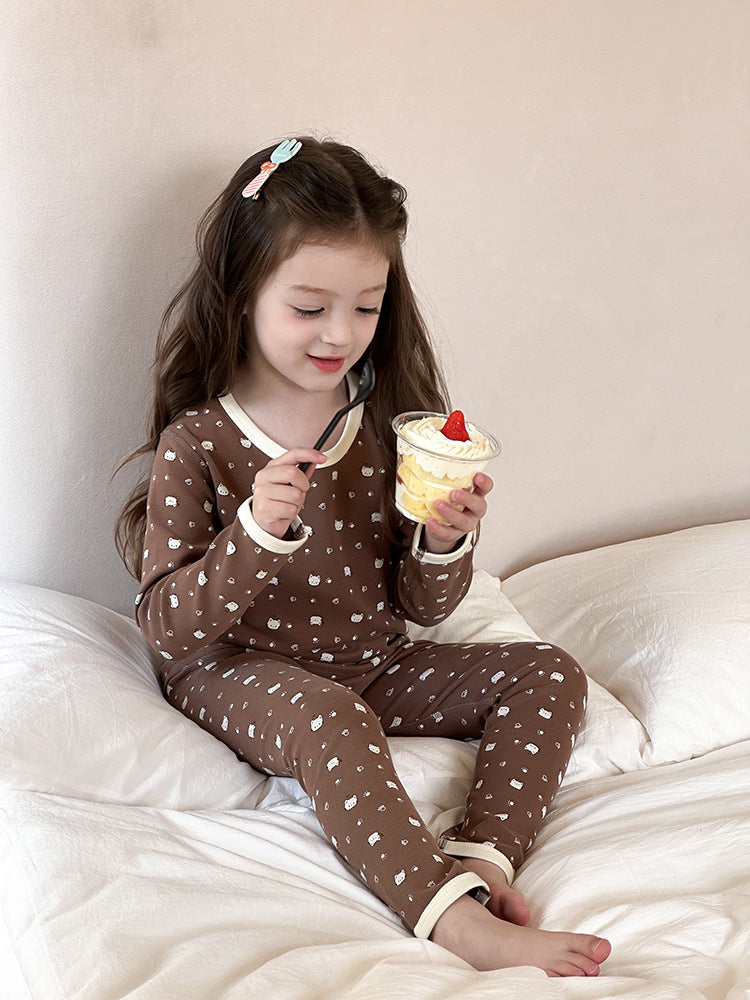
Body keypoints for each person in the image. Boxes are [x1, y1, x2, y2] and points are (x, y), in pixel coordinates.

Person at [115, 136, 611, 976]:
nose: (340, 334)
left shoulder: (386, 424)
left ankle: (484, 860)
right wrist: (255, 535)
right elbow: (167, 628)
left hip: (372, 661)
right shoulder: (198, 441)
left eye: (367, 308)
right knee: (332, 719)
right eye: (309, 308)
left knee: (550, 671)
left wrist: (443, 540)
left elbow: (423, 608)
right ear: (243, 294)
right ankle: (456, 923)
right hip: (236, 668)